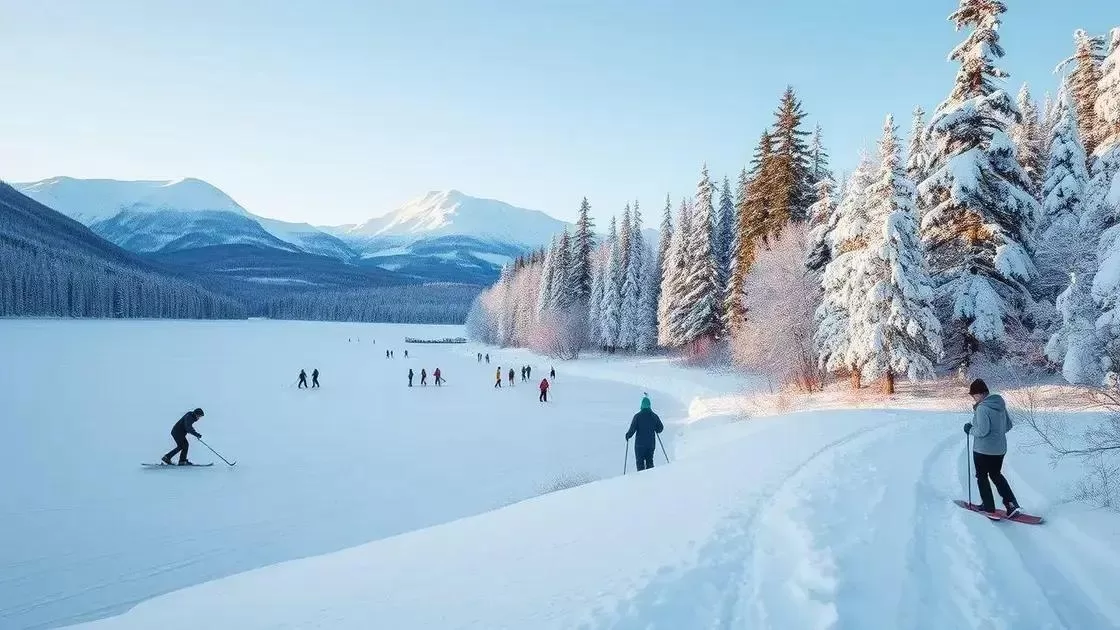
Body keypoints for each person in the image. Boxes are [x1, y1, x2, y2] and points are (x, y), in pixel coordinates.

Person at [963, 379, 1022, 519]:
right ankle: (1011, 505)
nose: (974, 398)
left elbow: (982, 431)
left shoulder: (983, 408)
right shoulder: (1000, 404)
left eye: (974, 395)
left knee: (982, 476)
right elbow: (1008, 426)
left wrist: (970, 429)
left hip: (983, 450)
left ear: (981, 393)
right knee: (996, 475)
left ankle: (988, 506)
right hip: (1000, 449)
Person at [625, 395, 664, 472]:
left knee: (640, 463)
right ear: (649, 405)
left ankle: (641, 481)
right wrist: (655, 428)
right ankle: (651, 479)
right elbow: (660, 428)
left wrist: (628, 435)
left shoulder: (637, 416)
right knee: (650, 461)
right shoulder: (654, 416)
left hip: (640, 445)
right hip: (650, 444)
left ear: (641, 405)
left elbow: (632, 429)